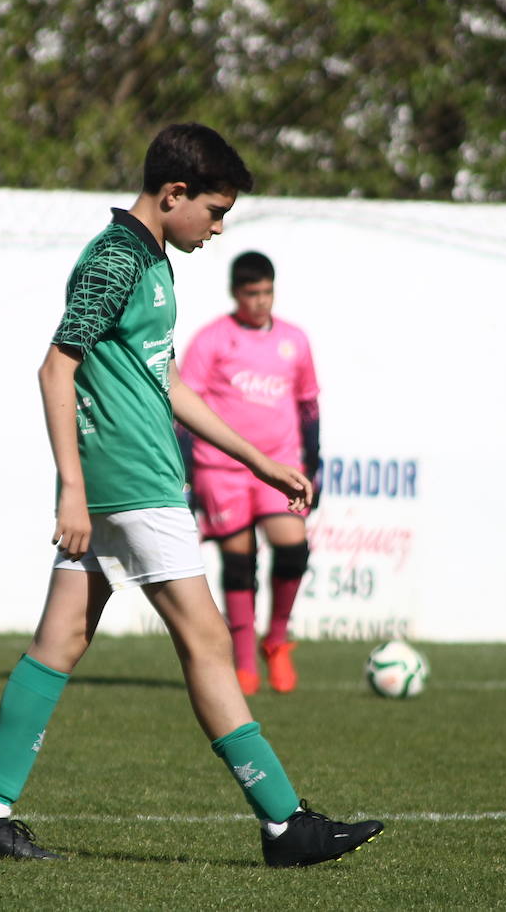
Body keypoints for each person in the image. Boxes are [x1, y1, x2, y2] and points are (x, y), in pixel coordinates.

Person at [0, 124, 382, 867]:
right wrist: (72, 495)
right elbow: (55, 369)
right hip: (133, 485)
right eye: (214, 211)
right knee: (208, 643)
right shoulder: (114, 259)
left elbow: (164, 381)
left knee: (60, 642)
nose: (217, 228)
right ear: (173, 193)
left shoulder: (151, 261)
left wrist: (258, 460)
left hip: (123, 485)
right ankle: (284, 823)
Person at [177, 251, 320, 695]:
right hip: (220, 468)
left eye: (266, 292)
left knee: (292, 548)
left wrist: (313, 464)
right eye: (251, 293)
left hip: (278, 464)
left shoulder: (294, 341)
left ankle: (276, 639)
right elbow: (183, 408)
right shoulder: (212, 341)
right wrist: (184, 472)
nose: (260, 301)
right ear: (236, 293)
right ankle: (244, 660)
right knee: (239, 563)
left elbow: (309, 405)